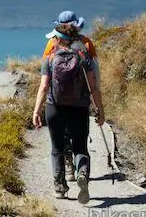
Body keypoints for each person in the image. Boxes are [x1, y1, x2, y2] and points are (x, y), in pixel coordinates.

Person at [32, 23, 105, 204]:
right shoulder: (83, 57)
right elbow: (93, 86)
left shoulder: (49, 59)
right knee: (80, 147)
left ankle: (60, 188)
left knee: (57, 149)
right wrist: (100, 109)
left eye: (53, 38)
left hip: (54, 108)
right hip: (79, 108)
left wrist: (36, 111)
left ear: (58, 39)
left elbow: (43, 87)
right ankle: (82, 173)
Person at [41, 11, 100, 182]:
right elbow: (95, 75)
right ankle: (81, 171)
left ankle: (66, 171)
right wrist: (98, 104)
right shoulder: (86, 43)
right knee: (80, 139)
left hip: (56, 101)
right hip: (80, 101)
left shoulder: (52, 43)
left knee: (61, 138)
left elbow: (45, 73)